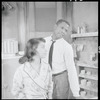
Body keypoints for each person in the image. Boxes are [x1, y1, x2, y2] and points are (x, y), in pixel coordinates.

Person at [43, 19, 81, 99]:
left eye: (66, 30)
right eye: (62, 28)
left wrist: (76, 93)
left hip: (61, 78)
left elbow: (71, 69)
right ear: (55, 26)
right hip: (46, 77)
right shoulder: (43, 42)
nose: (63, 31)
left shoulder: (67, 47)